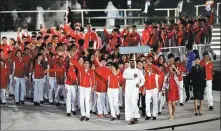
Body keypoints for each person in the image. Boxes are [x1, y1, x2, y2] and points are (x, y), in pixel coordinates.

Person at [123, 58, 145, 125]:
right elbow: (124, 76)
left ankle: (133, 118)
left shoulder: (138, 71)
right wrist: (133, 76)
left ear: (135, 63)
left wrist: (140, 85)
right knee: (128, 104)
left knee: (134, 103)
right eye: (131, 62)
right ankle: (131, 117)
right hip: (128, 90)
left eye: (133, 62)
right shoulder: (126, 70)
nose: (132, 63)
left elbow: (143, 79)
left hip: (135, 90)